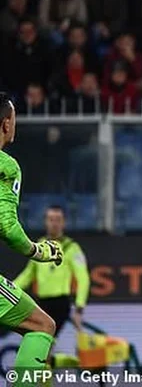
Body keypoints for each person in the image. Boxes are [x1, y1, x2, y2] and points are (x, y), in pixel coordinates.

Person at [0, 93, 65, 382]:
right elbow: (7, 227)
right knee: (41, 325)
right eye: (14, 119)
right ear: (6, 124)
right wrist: (38, 251)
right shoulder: (6, 166)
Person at [14, 204, 90, 369]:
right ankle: (78, 364)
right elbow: (28, 275)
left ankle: (78, 365)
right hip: (41, 304)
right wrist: (9, 289)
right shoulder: (40, 246)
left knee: (43, 351)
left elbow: (83, 278)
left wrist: (79, 308)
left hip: (60, 304)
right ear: (45, 222)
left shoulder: (71, 247)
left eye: (58, 220)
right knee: (41, 354)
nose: (54, 223)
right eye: (51, 219)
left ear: (63, 223)